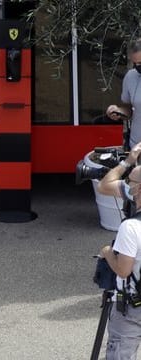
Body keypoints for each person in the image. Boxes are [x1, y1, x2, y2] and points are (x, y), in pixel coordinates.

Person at [99, 163, 141, 359]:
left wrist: (108, 253)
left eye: (129, 182)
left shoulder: (131, 227)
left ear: (138, 189)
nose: (126, 185)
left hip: (132, 308)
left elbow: (123, 270)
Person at [106, 38, 141, 150]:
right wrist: (118, 111)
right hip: (135, 146)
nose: (138, 67)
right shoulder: (130, 77)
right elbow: (129, 108)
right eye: (135, 63)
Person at [97, 142, 141, 219]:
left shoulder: (138, 173)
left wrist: (128, 162)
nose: (128, 183)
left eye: (128, 180)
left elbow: (103, 186)